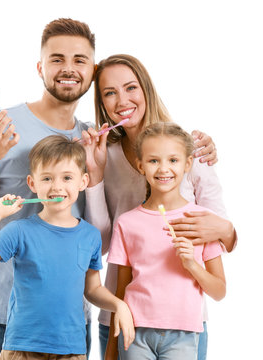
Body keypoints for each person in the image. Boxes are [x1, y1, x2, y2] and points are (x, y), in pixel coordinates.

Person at [0, 18, 97, 360]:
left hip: (67, 322)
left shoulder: (92, 140)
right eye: (57, 59)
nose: (68, 68)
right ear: (40, 67)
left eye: (79, 60)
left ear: (92, 70)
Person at [82, 54, 236, 360]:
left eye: (130, 88)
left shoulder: (188, 150)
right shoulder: (103, 153)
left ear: (147, 89)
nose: (122, 100)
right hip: (122, 316)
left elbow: (224, 235)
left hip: (184, 323)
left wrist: (221, 232)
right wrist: (95, 176)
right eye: (110, 93)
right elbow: (99, 244)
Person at [0, 135, 135, 360]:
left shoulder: (90, 236)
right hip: (21, 349)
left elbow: (92, 290)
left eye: (67, 178)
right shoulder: (19, 231)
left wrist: (118, 305)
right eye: (47, 178)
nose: (57, 187)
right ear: (32, 183)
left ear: (82, 182)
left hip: (71, 351)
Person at [105, 122, 226, 360]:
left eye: (173, 160)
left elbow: (219, 291)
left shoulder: (202, 221)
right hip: (134, 332)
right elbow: (120, 291)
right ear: (141, 166)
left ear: (187, 164)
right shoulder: (127, 223)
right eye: (153, 161)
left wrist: (192, 265)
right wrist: (110, 352)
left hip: (183, 334)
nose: (164, 169)